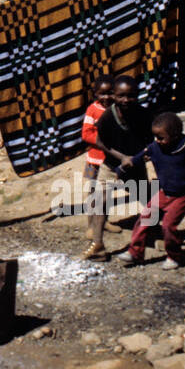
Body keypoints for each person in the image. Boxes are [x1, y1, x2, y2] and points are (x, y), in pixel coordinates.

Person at [115, 112, 185, 269]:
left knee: (168, 225)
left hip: (182, 195)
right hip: (163, 192)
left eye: (161, 137)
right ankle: (135, 252)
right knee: (145, 218)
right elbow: (137, 159)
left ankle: (175, 256)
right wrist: (121, 171)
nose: (157, 141)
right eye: (155, 137)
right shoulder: (155, 148)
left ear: (174, 136)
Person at [93, 75, 153, 231]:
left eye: (131, 96)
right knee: (101, 199)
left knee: (147, 199)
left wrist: (145, 155)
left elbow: (150, 140)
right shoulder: (107, 117)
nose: (126, 100)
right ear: (114, 95)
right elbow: (100, 142)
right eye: (121, 96)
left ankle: (155, 231)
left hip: (135, 166)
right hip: (111, 165)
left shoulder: (143, 115)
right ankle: (97, 241)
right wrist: (122, 157)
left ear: (137, 95)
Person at [78, 74, 115, 260]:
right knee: (93, 195)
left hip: (110, 161)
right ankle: (91, 227)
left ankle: (103, 222)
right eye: (102, 93)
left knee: (106, 195)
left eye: (110, 93)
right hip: (95, 159)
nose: (107, 97)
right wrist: (102, 142)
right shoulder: (93, 110)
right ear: (95, 94)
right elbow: (86, 134)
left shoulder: (116, 110)